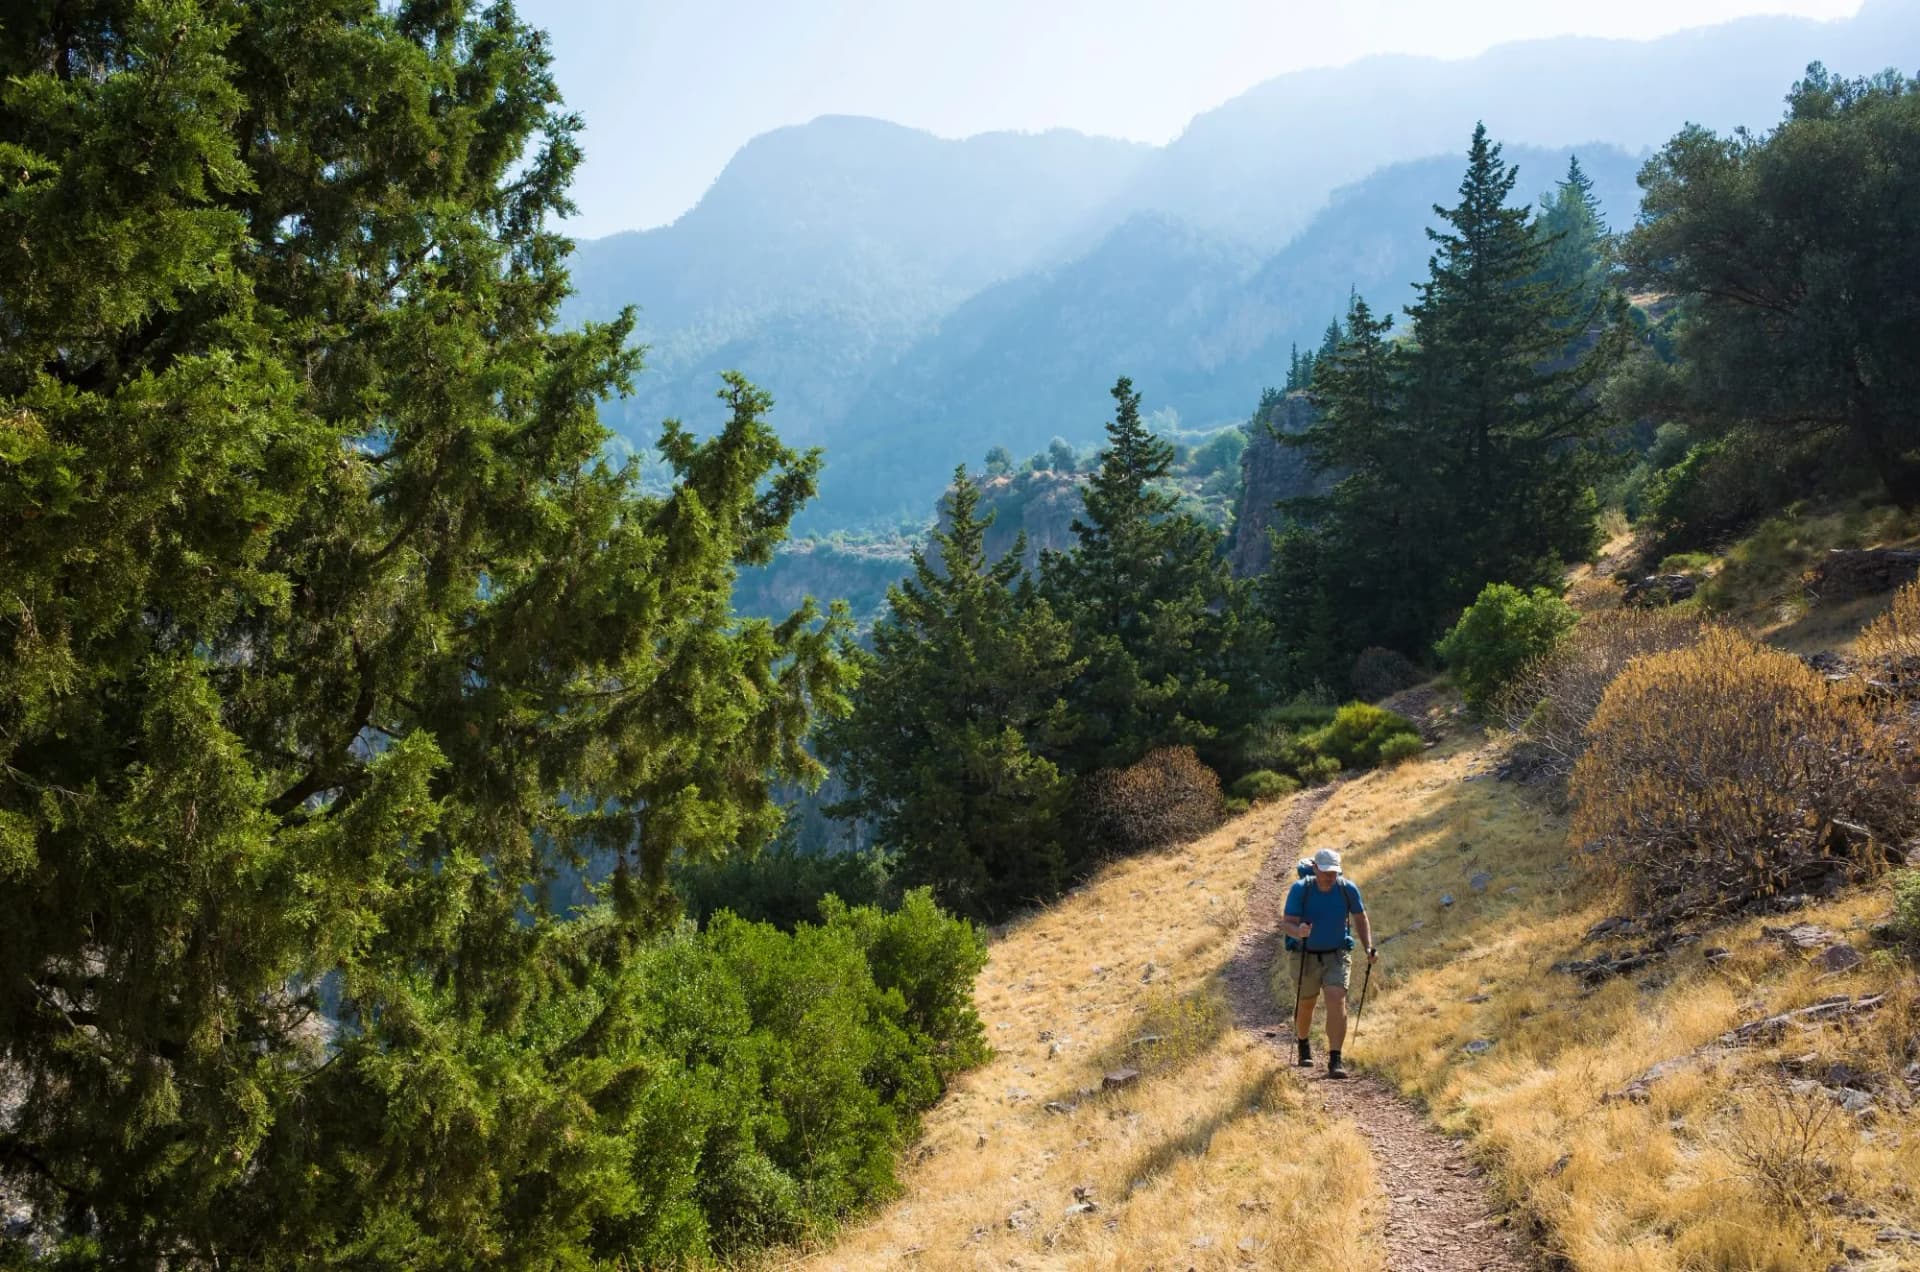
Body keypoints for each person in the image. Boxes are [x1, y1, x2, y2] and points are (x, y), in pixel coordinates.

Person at [1281, 847, 1374, 1078]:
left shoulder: (1347, 889)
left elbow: (1361, 919)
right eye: (1325, 872)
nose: (1330, 877)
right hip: (1305, 955)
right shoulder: (1300, 890)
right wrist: (1298, 931)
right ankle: (1303, 1043)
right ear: (1315, 869)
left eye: (1333, 872)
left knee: (1337, 1000)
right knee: (1306, 1004)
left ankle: (1335, 1059)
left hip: (1337, 954)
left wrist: (1368, 947)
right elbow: (1287, 924)